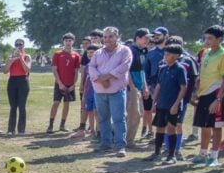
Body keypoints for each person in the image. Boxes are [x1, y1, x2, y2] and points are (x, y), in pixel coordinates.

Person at [190, 25, 224, 167]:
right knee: (204, 125)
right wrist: (197, 91)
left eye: (210, 38)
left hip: (215, 94)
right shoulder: (205, 52)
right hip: (203, 93)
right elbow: (202, 74)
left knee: (216, 126)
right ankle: (202, 154)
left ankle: (214, 157)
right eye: (205, 38)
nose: (206, 41)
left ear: (219, 39)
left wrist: (218, 99)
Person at [88, 26, 132, 156]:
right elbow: (91, 67)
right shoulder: (98, 53)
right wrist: (102, 80)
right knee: (103, 119)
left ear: (117, 37)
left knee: (119, 119)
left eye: (110, 36)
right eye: (105, 37)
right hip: (100, 91)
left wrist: (106, 77)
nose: (107, 39)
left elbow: (124, 66)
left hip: (117, 91)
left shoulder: (125, 51)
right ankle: (105, 144)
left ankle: (120, 146)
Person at [146, 44, 188, 164]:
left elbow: (183, 88)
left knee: (171, 129)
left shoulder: (180, 69)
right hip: (161, 104)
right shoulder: (163, 68)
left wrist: (176, 104)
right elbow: (158, 86)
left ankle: (171, 156)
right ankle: (157, 153)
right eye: (165, 53)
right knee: (160, 128)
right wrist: (154, 102)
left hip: (172, 105)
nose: (165, 56)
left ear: (176, 56)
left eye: (168, 54)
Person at [48, 33, 80, 133]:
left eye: (70, 40)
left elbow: (76, 71)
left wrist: (73, 85)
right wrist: (60, 83)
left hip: (70, 85)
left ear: (73, 41)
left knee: (67, 104)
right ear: (63, 42)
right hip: (59, 84)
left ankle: (62, 124)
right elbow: (54, 69)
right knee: (56, 103)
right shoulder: (57, 54)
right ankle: (50, 125)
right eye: (66, 40)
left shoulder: (76, 55)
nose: (68, 42)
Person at [126, 29, 152, 145]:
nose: (148, 40)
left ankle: (119, 135)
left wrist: (145, 86)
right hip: (131, 88)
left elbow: (142, 71)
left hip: (139, 87)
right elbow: (126, 71)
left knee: (139, 113)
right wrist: (131, 86)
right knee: (133, 114)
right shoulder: (130, 51)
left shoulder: (143, 51)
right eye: (145, 38)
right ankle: (128, 140)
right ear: (137, 38)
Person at [3, 38, 32, 135]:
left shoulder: (27, 56)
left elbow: (26, 70)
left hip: (23, 80)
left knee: (22, 106)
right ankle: (11, 129)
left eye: (20, 44)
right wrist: (11, 61)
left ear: (23, 46)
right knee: (13, 106)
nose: (18, 46)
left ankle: (21, 129)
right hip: (12, 81)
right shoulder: (11, 57)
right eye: (17, 44)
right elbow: (5, 71)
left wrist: (21, 58)